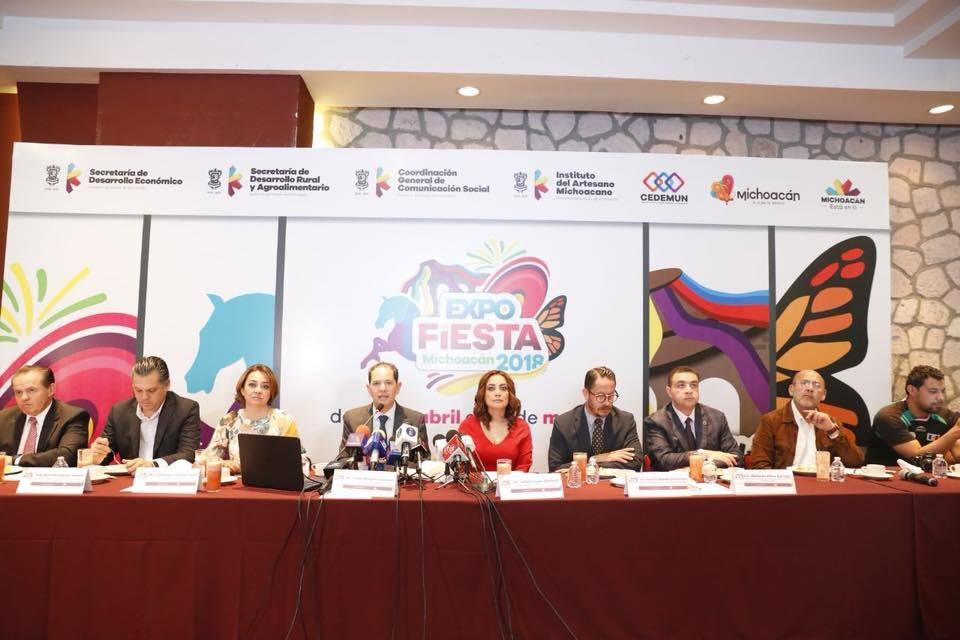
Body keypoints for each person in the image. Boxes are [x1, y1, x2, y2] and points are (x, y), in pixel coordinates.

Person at [91, 356, 200, 471]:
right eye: (138, 390)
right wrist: (98, 456)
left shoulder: (185, 409)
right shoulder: (119, 411)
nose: (144, 397)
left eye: (151, 390)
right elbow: (106, 454)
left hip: (166, 479)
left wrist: (153, 465)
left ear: (167, 384)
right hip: (130, 479)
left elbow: (189, 454)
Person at [750, 369, 864, 469]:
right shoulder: (771, 420)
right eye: (804, 383)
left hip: (822, 482)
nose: (810, 388)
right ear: (791, 390)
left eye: (816, 385)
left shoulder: (830, 422)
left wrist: (832, 431)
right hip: (788, 484)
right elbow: (760, 465)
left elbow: (855, 462)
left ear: (823, 395)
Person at [202, 363, 297, 474]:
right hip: (237, 482)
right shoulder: (229, 420)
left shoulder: (284, 419)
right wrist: (232, 466)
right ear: (242, 390)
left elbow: (299, 460)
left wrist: (240, 465)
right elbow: (207, 459)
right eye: (252, 385)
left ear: (271, 393)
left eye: (265, 386)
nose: (258, 390)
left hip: (274, 481)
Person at [644, 365, 742, 470]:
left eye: (693, 385)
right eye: (681, 385)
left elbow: (736, 457)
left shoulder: (717, 417)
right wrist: (703, 454)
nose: (689, 390)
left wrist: (705, 467)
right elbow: (662, 460)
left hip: (710, 478)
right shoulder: (656, 421)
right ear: (669, 391)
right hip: (675, 480)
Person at [547, 366, 642, 472]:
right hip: (579, 483)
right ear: (586, 394)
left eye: (611, 396)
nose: (607, 403)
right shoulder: (563, 423)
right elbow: (556, 468)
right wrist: (596, 459)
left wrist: (587, 464)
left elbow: (635, 462)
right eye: (600, 396)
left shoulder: (625, 421)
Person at [866, 365, 960, 467]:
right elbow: (917, 457)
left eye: (943, 391)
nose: (941, 397)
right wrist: (955, 432)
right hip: (884, 474)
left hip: (926, 475)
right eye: (933, 391)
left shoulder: (945, 416)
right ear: (912, 390)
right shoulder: (889, 417)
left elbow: (957, 452)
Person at [0, 365, 89, 467]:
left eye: (31, 390)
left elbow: (68, 455)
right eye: (18, 392)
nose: (24, 397)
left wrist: (15, 460)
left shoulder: (72, 417)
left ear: (51, 389)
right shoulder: (3, 417)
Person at [340, 361, 427, 454]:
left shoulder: (416, 420)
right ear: (369, 389)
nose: (383, 389)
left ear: (398, 387)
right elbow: (343, 457)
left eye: (388, 383)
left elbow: (424, 459)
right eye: (376, 383)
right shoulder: (352, 419)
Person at [458, 369, 532, 472]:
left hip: (511, 482)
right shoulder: (467, 426)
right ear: (483, 394)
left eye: (503, 388)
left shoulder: (521, 427)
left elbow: (523, 466)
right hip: (474, 482)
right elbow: (460, 467)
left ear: (510, 394)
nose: (497, 393)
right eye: (491, 388)